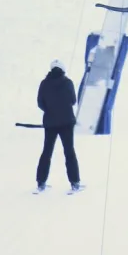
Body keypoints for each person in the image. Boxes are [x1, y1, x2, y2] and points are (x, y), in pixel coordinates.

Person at [36, 59, 82, 193]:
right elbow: (73, 100)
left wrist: (50, 110)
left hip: (50, 122)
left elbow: (40, 102)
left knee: (47, 151)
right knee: (69, 152)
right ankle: (75, 182)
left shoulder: (44, 84)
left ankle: (41, 182)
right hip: (67, 122)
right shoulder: (67, 82)